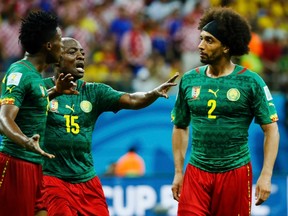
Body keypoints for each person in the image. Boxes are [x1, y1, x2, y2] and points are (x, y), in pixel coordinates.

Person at [41, 37, 178, 216]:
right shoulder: (41, 89)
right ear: (57, 58)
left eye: (82, 52)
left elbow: (131, 99)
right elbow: (16, 113)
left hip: (86, 179)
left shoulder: (93, 92)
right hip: (54, 179)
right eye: (72, 52)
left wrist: (152, 93)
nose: (80, 56)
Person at [171, 7, 279, 216]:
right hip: (197, 170)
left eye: (209, 40)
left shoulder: (250, 81)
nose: (201, 45)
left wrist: (266, 175)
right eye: (201, 38)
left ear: (226, 47)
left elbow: (271, 130)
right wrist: (178, 172)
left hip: (235, 172)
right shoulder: (189, 79)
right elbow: (180, 126)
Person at [0, 10, 77, 216]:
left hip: (35, 165)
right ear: (49, 45)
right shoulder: (19, 73)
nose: (63, 46)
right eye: (60, 40)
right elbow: (4, 118)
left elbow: (31, 104)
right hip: (15, 163)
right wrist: (26, 141)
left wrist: (55, 92)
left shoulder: (35, 76)